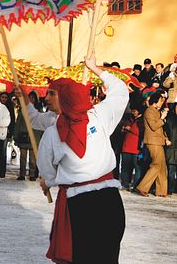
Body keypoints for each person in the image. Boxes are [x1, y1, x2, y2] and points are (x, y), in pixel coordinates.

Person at [28, 53, 129, 264]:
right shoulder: (100, 115)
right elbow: (120, 91)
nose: (46, 98)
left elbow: (47, 170)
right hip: (110, 201)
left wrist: (50, 180)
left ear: (63, 98)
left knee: (83, 258)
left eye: (52, 93)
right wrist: (95, 69)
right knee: (108, 258)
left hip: (79, 205)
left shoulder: (53, 133)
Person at [135, 91, 170, 197]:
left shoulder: (155, 111)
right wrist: (162, 117)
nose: (162, 103)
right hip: (152, 141)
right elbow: (154, 126)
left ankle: (161, 191)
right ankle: (142, 187)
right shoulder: (149, 111)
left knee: (162, 166)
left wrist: (166, 139)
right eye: (161, 101)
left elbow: (160, 129)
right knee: (156, 164)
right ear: (155, 100)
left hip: (158, 141)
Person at [14, 91, 43, 181]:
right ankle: (22, 174)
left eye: (33, 98)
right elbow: (18, 123)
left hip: (35, 136)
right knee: (22, 157)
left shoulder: (39, 111)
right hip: (23, 135)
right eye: (29, 97)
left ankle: (32, 174)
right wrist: (16, 135)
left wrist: (42, 137)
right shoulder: (23, 109)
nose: (31, 99)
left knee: (33, 158)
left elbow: (42, 125)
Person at [119, 105, 141, 190]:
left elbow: (140, 132)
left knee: (137, 167)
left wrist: (130, 129)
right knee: (125, 167)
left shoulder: (141, 120)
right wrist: (124, 129)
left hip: (136, 148)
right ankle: (125, 183)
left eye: (135, 110)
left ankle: (136, 185)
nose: (133, 112)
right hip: (126, 146)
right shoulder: (128, 119)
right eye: (132, 110)